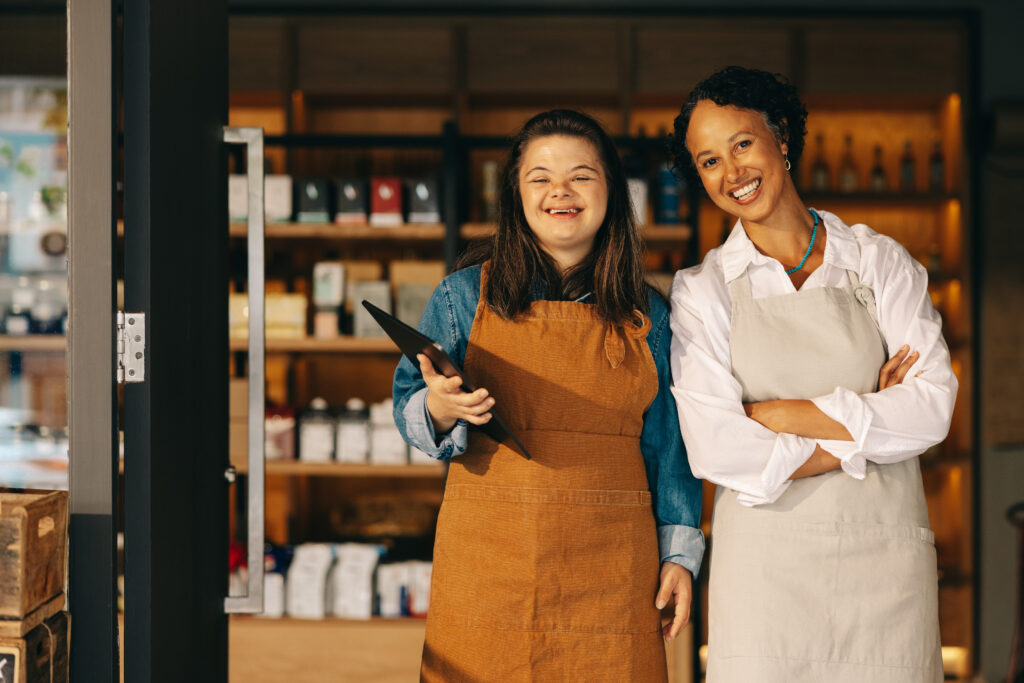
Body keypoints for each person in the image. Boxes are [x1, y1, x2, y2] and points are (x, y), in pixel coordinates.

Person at [666, 66, 958, 682]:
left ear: (783, 140)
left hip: (884, 571)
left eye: (742, 144)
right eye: (708, 161)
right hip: (766, 576)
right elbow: (716, 446)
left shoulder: (877, 262)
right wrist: (867, 421)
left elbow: (931, 407)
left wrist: (779, 417)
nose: (732, 173)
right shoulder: (702, 291)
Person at [393, 109, 704, 681]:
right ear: (515, 194)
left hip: (614, 565)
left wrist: (679, 556)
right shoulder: (463, 296)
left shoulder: (649, 314)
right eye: (540, 177)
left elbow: (670, 446)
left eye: (582, 176)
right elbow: (413, 401)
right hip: (491, 562)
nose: (560, 191)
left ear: (613, 190)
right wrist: (439, 408)